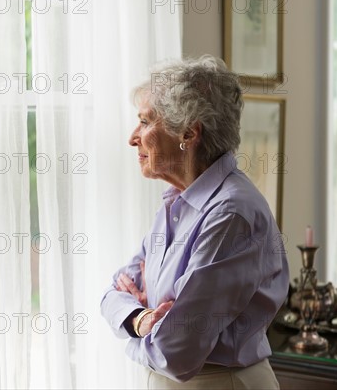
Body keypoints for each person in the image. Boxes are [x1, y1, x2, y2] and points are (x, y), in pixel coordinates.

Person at [100, 55, 289, 389]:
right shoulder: (177, 202)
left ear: (188, 132)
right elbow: (113, 293)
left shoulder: (231, 215)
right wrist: (145, 319)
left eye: (145, 122)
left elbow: (178, 351)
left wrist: (137, 329)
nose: (133, 137)